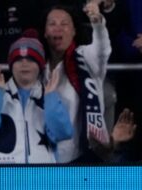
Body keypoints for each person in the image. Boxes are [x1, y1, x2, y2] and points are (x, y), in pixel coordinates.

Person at [0, 30, 73, 163]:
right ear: (11, 65)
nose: (24, 64)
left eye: (31, 59)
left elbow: (62, 133)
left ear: (40, 65)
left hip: (42, 179)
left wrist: (51, 98)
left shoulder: (49, 96)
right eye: (19, 59)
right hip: (4, 180)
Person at [43, 1, 112, 163]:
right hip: (43, 157)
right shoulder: (36, 65)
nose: (58, 27)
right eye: (52, 24)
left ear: (74, 31)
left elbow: (102, 49)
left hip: (83, 155)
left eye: (64, 24)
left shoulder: (87, 58)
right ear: (45, 32)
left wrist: (97, 23)